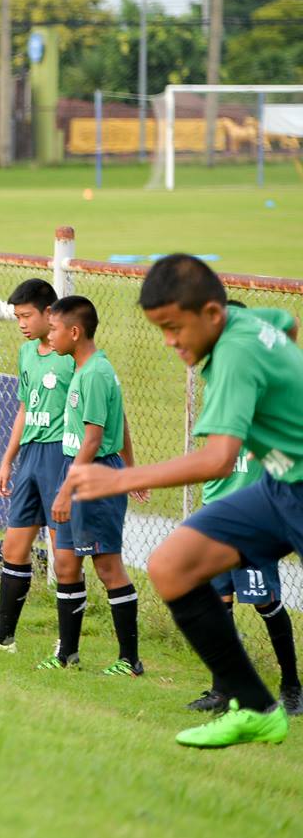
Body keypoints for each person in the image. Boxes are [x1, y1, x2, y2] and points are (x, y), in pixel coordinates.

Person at [71, 255, 303, 747]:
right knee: (172, 565)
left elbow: (219, 459)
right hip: (280, 488)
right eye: (161, 329)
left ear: (213, 314)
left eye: (176, 327)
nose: (171, 342)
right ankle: (256, 707)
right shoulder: (249, 319)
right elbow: (289, 323)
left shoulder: (235, 354)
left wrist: (118, 479)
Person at [180, 300, 301, 716]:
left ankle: (291, 686)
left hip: (251, 518)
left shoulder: (258, 383)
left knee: (266, 603)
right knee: (218, 605)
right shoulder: (218, 380)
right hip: (218, 508)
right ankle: (223, 689)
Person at [0, 278, 70, 653]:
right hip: (30, 459)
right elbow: (25, 408)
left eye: (26, 316)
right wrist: (7, 460)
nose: (21, 323)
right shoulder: (26, 354)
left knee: (64, 556)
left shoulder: (71, 356)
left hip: (60, 457)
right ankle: (3, 638)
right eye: (17, 317)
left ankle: (67, 644)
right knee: (14, 549)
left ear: (49, 313)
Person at [43, 295, 143, 676]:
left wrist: (67, 489)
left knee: (107, 566)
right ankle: (67, 653)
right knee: (66, 563)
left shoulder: (96, 373)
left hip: (95, 474)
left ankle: (129, 659)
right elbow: (122, 419)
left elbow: (94, 437)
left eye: (53, 329)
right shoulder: (82, 369)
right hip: (77, 469)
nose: (49, 335)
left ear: (74, 331)